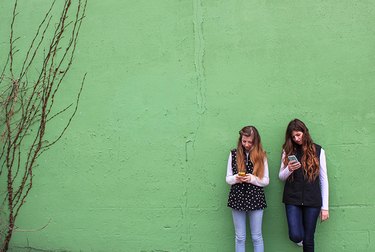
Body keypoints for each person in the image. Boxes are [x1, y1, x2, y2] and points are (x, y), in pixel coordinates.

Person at [278, 119, 329, 252]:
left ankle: (305, 242)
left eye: (298, 135)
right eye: (293, 136)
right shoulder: (287, 150)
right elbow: (281, 177)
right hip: (292, 199)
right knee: (296, 235)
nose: (296, 139)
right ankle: (300, 240)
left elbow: (323, 179)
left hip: (313, 200)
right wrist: (289, 169)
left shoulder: (318, 150)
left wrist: (325, 208)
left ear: (305, 132)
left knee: (309, 239)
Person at [226, 126, 269, 252]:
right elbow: (228, 179)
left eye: (250, 142)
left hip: (256, 198)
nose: (246, 144)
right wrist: (236, 178)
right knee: (240, 237)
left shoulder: (261, 155)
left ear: (255, 141)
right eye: (244, 141)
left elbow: (266, 180)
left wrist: (252, 179)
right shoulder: (233, 154)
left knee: (257, 237)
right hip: (237, 197)